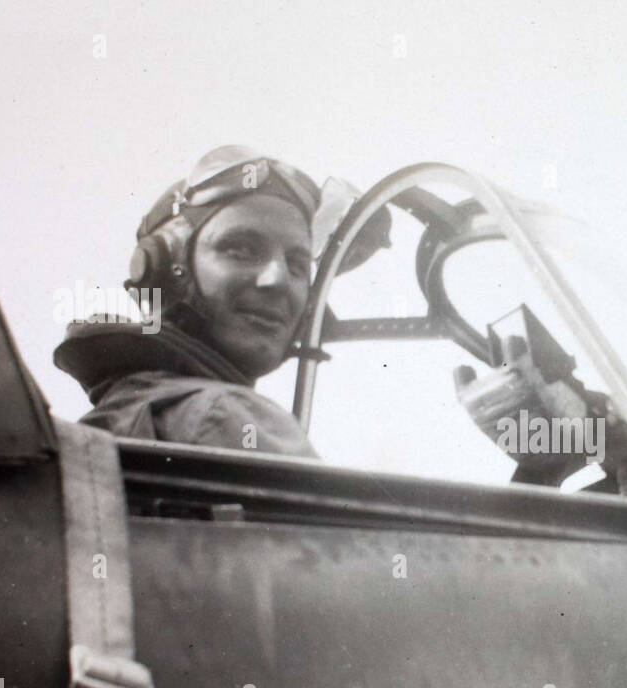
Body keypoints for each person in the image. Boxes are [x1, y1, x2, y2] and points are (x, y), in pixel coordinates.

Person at [54, 146, 387, 457]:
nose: (278, 280)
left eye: (297, 264)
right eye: (241, 249)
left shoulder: (135, 409)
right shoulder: (224, 416)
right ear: (165, 270)